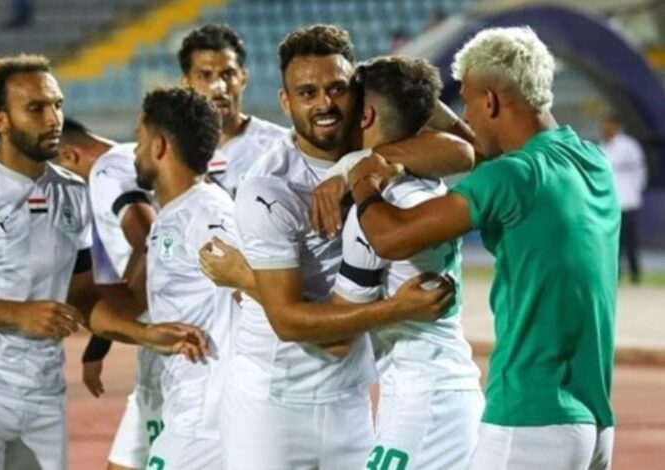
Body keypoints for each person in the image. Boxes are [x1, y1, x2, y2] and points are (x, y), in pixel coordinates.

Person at [0, 54, 203, 470]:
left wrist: (144, 333)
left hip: (43, 393)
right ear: (0, 121)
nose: (53, 119)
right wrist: (18, 314)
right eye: (36, 108)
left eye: (57, 105)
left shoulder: (73, 193)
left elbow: (83, 298)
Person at [345, 27, 619, 470]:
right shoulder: (591, 161)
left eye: (469, 102)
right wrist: (426, 106)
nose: (466, 117)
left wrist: (360, 177)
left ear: (490, 101)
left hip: (531, 416)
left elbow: (391, 236)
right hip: (595, 421)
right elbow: (479, 151)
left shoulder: (511, 177)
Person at [215, 25, 474, 470]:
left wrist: (358, 162)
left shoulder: (375, 151)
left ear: (358, 95)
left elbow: (467, 149)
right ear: (286, 102)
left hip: (352, 401)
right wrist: (397, 309)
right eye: (307, 93)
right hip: (273, 402)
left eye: (337, 88)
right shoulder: (269, 186)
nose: (325, 104)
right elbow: (292, 323)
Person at [331, 56, 483, 470]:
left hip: (423, 401)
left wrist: (249, 282)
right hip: (437, 390)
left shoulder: (378, 208)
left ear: (365, 115)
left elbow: (338, 335)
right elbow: (468, 147)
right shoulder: (429, 183)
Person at [133, 87, 240, 470]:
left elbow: (255, 290)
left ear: (159, 145)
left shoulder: (206, 214)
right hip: (190, 411)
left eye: (138, 139)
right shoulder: (177, 213)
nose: (134, 151)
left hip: (207, 421)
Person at [55, 118, 163, 470]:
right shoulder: (128, 158)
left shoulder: (107, 174)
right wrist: (99, 343)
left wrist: (125, 313)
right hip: (159, 339)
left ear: (70, 156)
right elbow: (112, 266)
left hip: (168, 341)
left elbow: (147, 239)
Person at [178, 24, 288, 196]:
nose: (219, 87)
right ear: (187, 83)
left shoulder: (279, 147)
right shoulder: (173, 152)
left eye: (228, 74)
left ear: (243, 78)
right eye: (205, 75)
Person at [600, 113, 647, 284]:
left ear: (616, 126)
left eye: (608, 125)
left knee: (631, 241)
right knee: (613, 242)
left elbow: (641, 171)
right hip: (610, 202)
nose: (604, 128)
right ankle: (615, 274)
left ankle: (635, 275)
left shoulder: (629, 145)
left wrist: (635, 192)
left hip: (628, 201)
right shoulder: (601, 147)